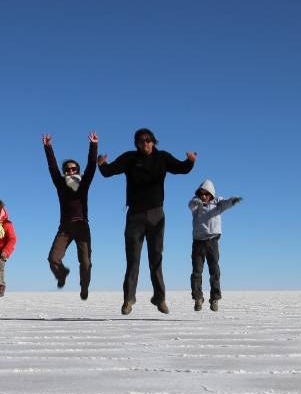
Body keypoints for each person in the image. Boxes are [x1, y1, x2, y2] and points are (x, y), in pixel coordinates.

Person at [98, 128, 195, 314]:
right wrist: (102, 165)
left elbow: (180, 168)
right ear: (136, 143)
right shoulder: (130, 158)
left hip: (156, 214)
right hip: (135, 215)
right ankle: (128, 299)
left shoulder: (162, 157)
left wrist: (190, 161)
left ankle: (160, 298)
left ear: (154, 141)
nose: (145, 143)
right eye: (141, 140)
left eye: (149, 139)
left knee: (156, 257)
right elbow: (110, 171)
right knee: (133, 258)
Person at [43, 132, 98, 299]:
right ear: (64, 172)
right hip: (65, 227)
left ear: (78, 171)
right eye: (67, 169)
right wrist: (48, 147)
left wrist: (93, 145)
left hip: (82, 226)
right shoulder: (60, 183)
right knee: (53, 258)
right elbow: (52, 166)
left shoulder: (84, 182)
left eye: (74, 169)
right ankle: (62, 274)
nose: (71, 171)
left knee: (86, 262)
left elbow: (92, 165)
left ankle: (84, 286)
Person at [189, 180, 243, 312]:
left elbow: (227, 203)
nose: (203, 196)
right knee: (197, 272)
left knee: (214, 270)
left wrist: (234, 200)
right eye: (201, 194)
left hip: (212, 241)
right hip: (198, 242)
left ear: (211, 194)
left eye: (206, 194)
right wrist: (198, 202)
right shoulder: (197, 202)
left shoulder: (218, 203)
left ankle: (214, 298)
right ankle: (198, 298)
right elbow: (191, 205)